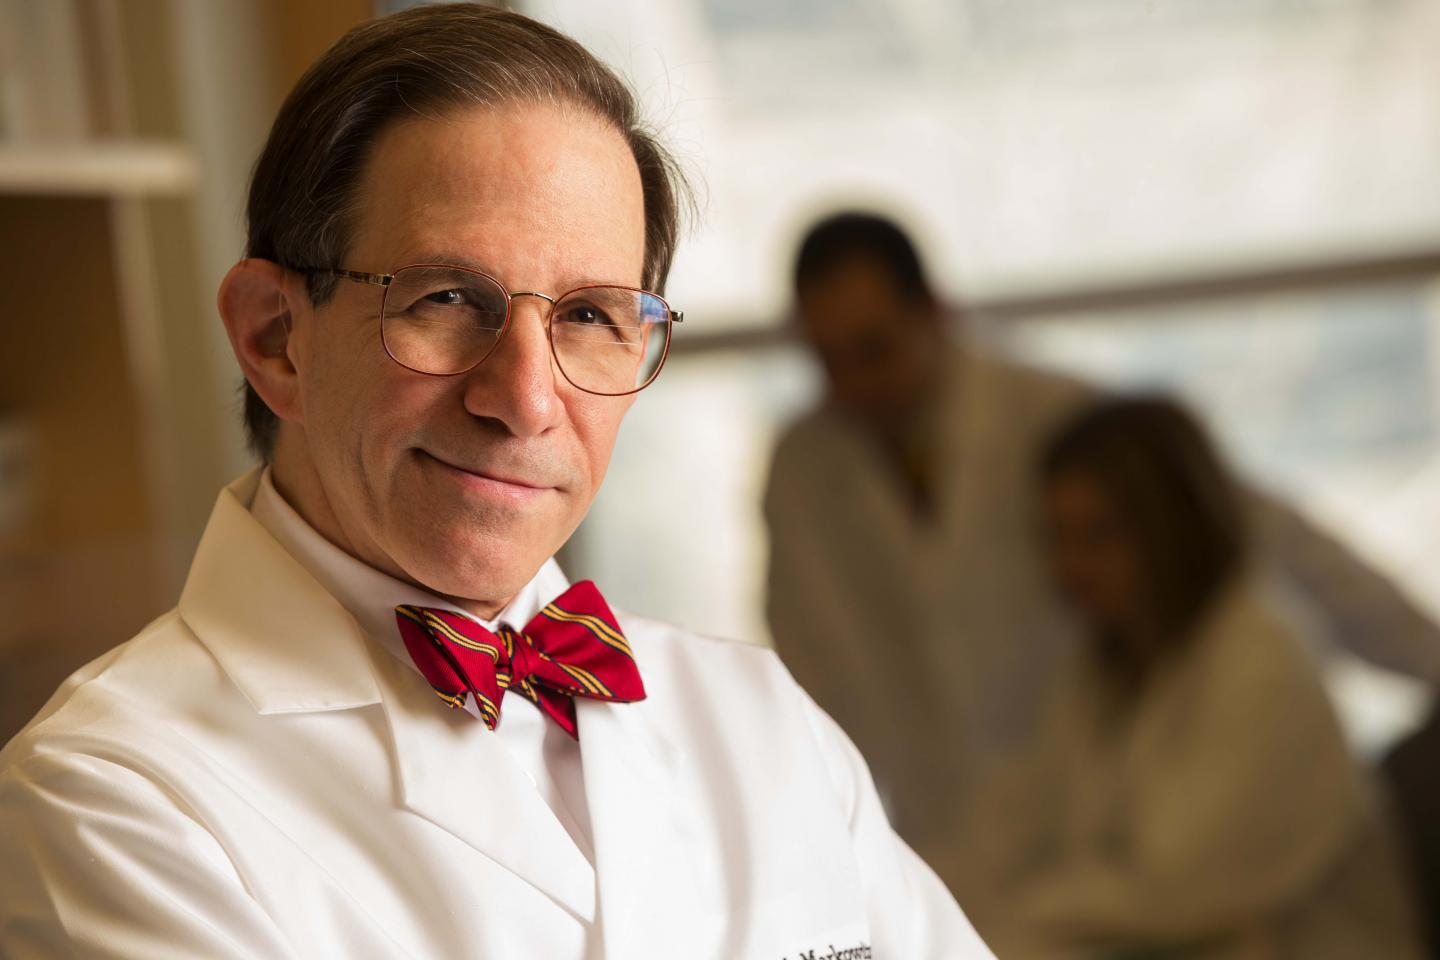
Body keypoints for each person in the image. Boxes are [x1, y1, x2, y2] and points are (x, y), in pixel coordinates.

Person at [0, 9, 992, 958]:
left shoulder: (756, 715)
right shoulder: (109, 797)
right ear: (275, 337)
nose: (524, 400)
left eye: (591, 317)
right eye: (445, 298)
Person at [764, 210, 1440, 878]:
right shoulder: (801, 469)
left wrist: (1427, 656)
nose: (853, 386)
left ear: (934, 313)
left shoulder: (1052, 416)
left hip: (1091, 816)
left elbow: (1282, 541)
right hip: (971, 829)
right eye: (828, 360)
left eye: (873, 350)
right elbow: (805, 670)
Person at [947, 396, 1423, 958]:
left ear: (1172, 525)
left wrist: (1014, 914)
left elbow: (1176, 888)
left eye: (1097, 535)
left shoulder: (1261, 664)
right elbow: (1025, 816)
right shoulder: (1110, 664)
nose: (1069, 567)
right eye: (1059, 537)